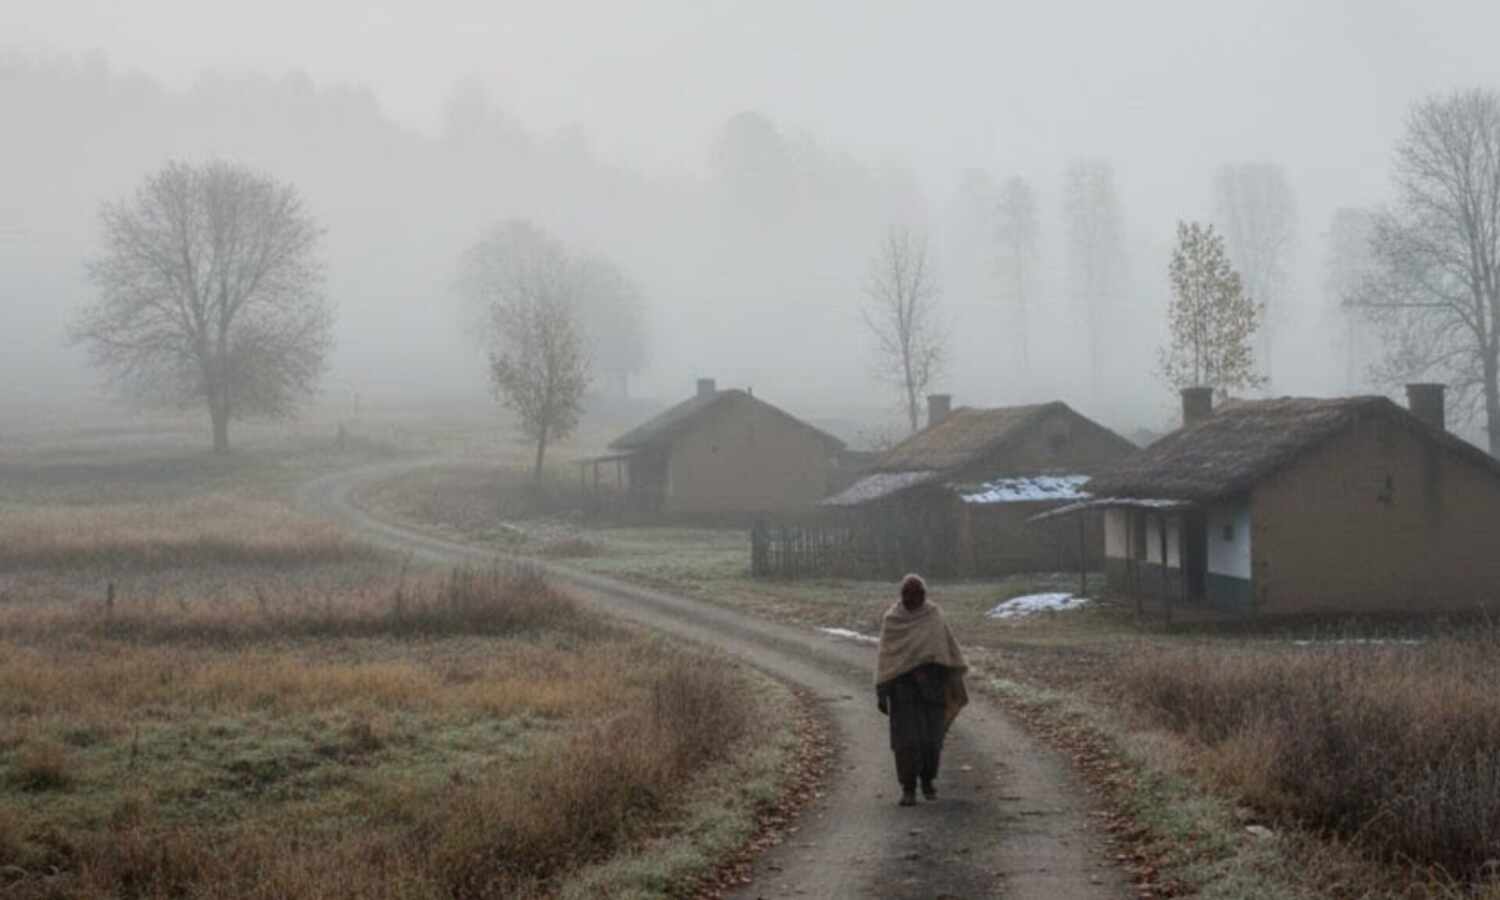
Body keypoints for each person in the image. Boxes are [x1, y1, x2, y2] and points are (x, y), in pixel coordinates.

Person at [875, 573, 969, 806]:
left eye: (917, 593)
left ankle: (927, 780)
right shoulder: (893, 619)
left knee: (931, 741)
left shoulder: (933, 615)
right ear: (902, 594)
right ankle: (908, 788)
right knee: (906, 743)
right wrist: (882, 692)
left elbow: (947, 649)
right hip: (903, 692)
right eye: (908, 593)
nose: (913, 597)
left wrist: (950, 680)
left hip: (933, 689)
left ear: (924, 594)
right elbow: (887, 658)